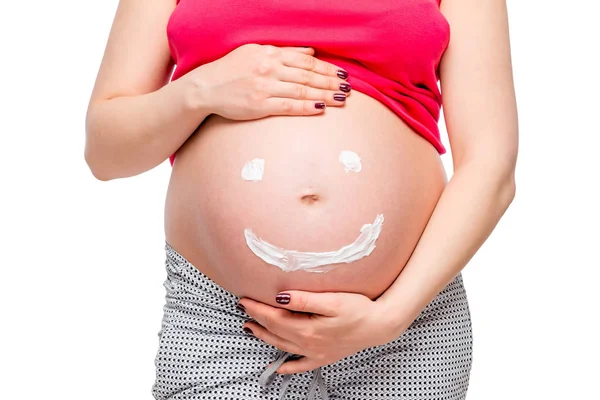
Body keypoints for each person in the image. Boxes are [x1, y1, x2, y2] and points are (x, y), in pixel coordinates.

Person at [85, 0, 518, 398]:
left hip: (405, 320)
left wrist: (392, 315)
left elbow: (490, 166)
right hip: (224, 319)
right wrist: (200, 90)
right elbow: (105, 154)